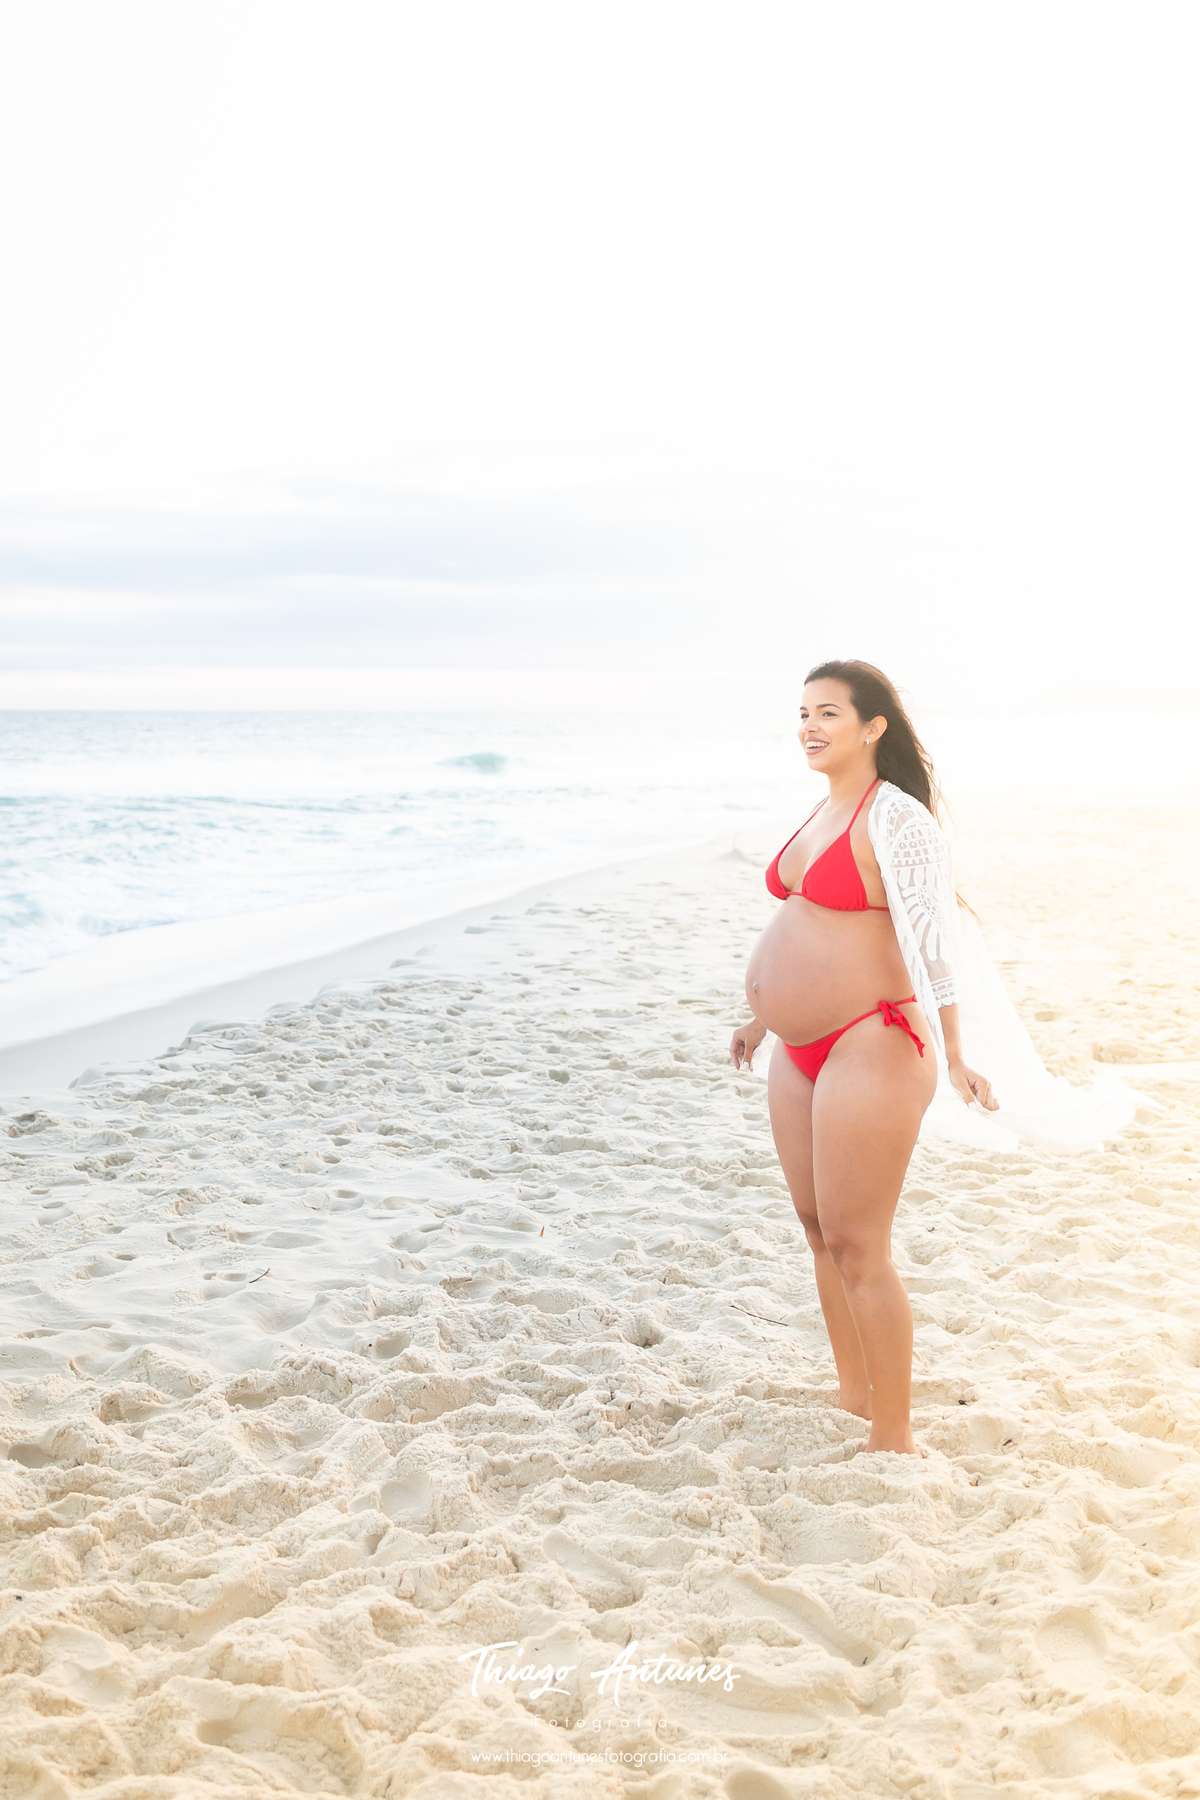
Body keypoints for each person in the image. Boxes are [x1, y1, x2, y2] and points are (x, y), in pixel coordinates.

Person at [729, 660, 997, 1456]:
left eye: (828, 714)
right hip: (799, 1048)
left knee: (858, 1243)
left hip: (871, 1041)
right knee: (818, 1228)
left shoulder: (899, 818)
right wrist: (763, 1018)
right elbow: (813, 923)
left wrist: (956, 1053)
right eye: (803, 714)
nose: (809, 727)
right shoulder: (823, 807)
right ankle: (852, 1393)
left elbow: (931, 941)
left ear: (873, 727)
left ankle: (894, 1434)